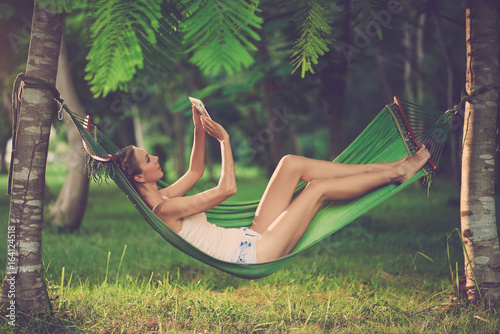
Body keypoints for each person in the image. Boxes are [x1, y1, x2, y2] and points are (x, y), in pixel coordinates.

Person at [113, 106, 431, 264]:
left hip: (249, 237)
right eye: (148, 159)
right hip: (255, 254)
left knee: (290, 163)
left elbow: (195, 171)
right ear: (140, 176)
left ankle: (385, 165)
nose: (155, 158)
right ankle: (397, 173)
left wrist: (199, 127)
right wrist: (223, 140)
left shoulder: (162, 195)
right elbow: (226, 190)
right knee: (316, 189)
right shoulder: (166, 207)